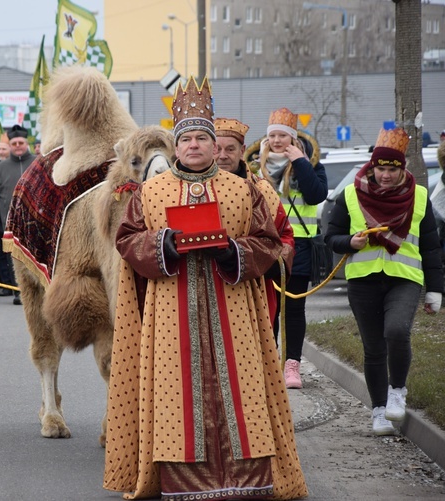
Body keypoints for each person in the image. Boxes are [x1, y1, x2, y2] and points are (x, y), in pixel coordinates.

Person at [103, 77, 307, 500]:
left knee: (243, 390)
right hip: (170, 313)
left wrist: (233, 252)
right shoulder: (151, 191)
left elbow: (268, 242)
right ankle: (182, 480)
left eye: (202, 138)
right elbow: (126, 240)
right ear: (176, 147)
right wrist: (166, 245)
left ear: (216, 146)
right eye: (187, 139)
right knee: (176, 398)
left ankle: (246, 479)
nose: (194, 145)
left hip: (234, 310)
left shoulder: (243, 189)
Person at [325, 128, 443, 436]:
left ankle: (397, 392)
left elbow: (431, 246)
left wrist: (435, 289)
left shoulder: (418, 195)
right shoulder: (350, 193)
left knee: (396, 331)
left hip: (405, 279)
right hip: (362, 280)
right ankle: (378, 411)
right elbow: (331, 236)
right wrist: (350, 242)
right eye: (381, 168)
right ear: (372, 167)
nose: (386, 175)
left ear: (402, 169)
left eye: (393, 169)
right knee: (373, 348)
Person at [258, 107, 328, 389]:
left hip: (297, 246)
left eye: (283, 136)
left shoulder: (310, 164)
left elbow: (316, 194)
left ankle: (292, 367)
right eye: (272, 135)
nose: (277, 141)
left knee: (294, 309)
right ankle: (268, 362)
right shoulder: (255, 166)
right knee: (267, 309)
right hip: (265, 244)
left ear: (293, 138)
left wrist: (300, 162)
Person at [215, 117, 295, 325]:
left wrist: (265, 261)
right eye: (217, 149)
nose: (222, 156)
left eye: (230, 149)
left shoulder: (261, 189)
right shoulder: (193, 189)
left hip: (254, 288)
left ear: (242, 151)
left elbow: (284, 236)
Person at [0, 124, 36, 305]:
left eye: (20, 142)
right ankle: (18, 291)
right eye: (14, 143)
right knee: (15, 260)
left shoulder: (38, 163)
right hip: (10, 225)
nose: (17, 146)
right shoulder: (1, 168)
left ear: (26, 142)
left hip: (36, 223)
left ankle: (37, 291)